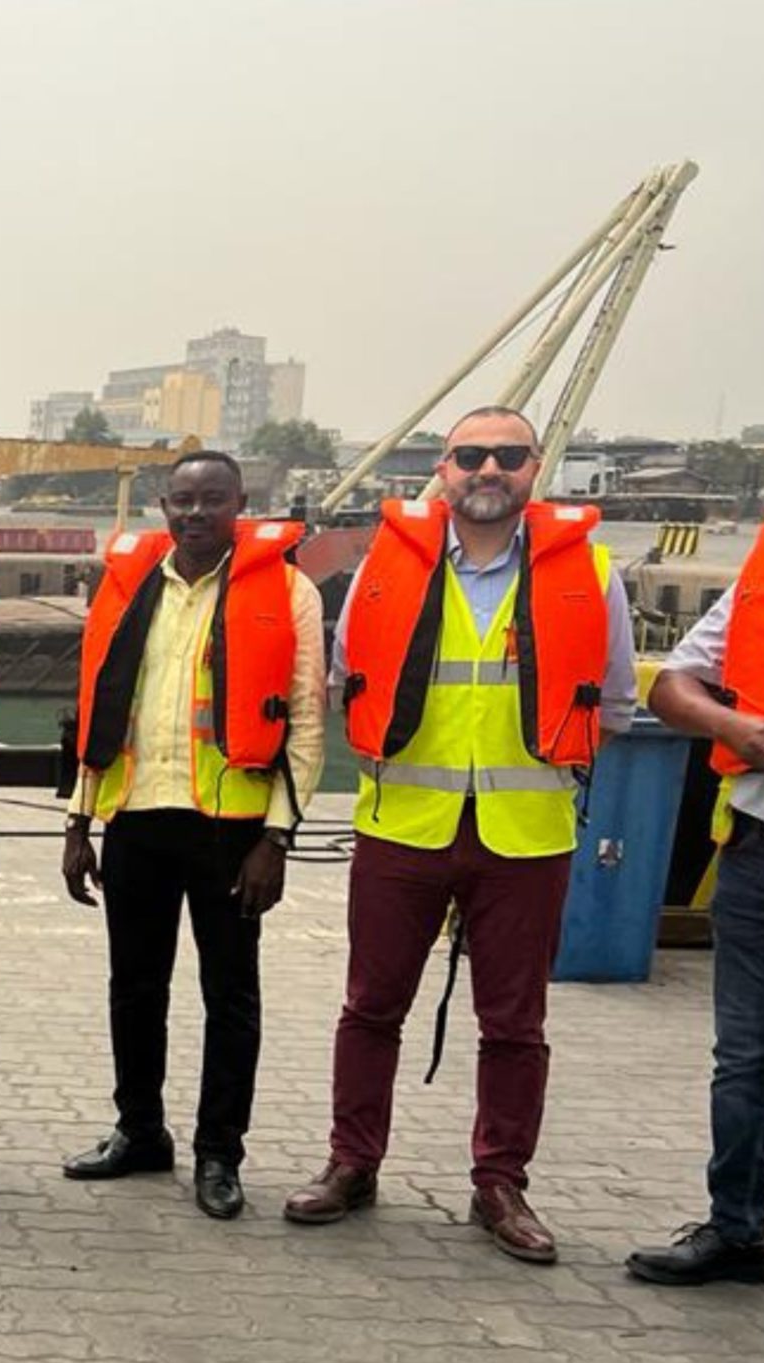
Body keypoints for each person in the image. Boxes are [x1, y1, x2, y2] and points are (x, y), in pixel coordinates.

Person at [287, 406, 635, 1261]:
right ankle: (351, 1161)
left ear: (535, 468)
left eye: (508, 456)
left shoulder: (590, 573)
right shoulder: (385, 568)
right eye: (471, 455)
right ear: (442, 468)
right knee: (370, 1006)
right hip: (403, 824)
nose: (489, 470)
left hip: (525, 831)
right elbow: (343, 679)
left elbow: (617, 702)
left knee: (515, 1022)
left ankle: (500, 1181)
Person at [59, 451, 322, 1219]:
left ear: (242, 501)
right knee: (134, 989)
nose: (196, 513)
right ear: (163, 507)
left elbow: (305, 720)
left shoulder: (288, 591)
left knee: (230, 995)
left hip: (232, 830)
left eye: (213, 499)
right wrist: (80, 819)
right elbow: (102, 710)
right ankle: (140, 1129)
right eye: (182, 500)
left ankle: (219, 1151)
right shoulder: (133, 585)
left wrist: (277, 836)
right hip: (137, 814)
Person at [626, 502, 764, 1286]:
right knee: (745, 1062)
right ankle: (737, 1229)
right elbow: (674, 684)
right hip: (759, 855)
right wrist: (727, 725)